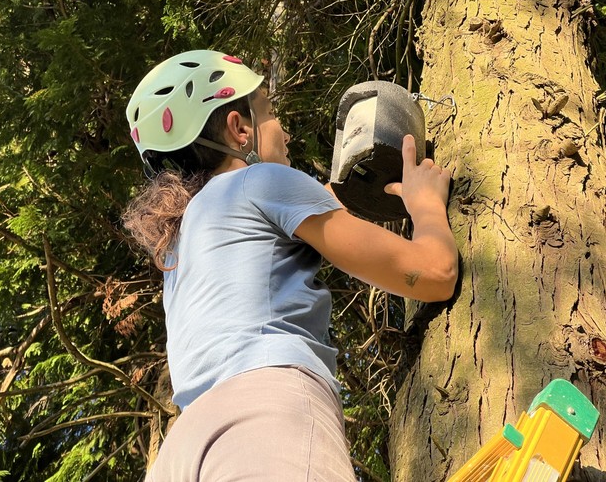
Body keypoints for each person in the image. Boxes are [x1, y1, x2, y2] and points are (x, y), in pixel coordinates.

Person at [123, 50, 458, 482]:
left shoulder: (182, 241)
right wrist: (427, 205)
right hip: (260, 416)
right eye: (269, 110)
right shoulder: (258, 181)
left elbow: (318, 205)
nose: (286, 130)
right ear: (239, 129)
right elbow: (433, 273)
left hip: (183, 451)